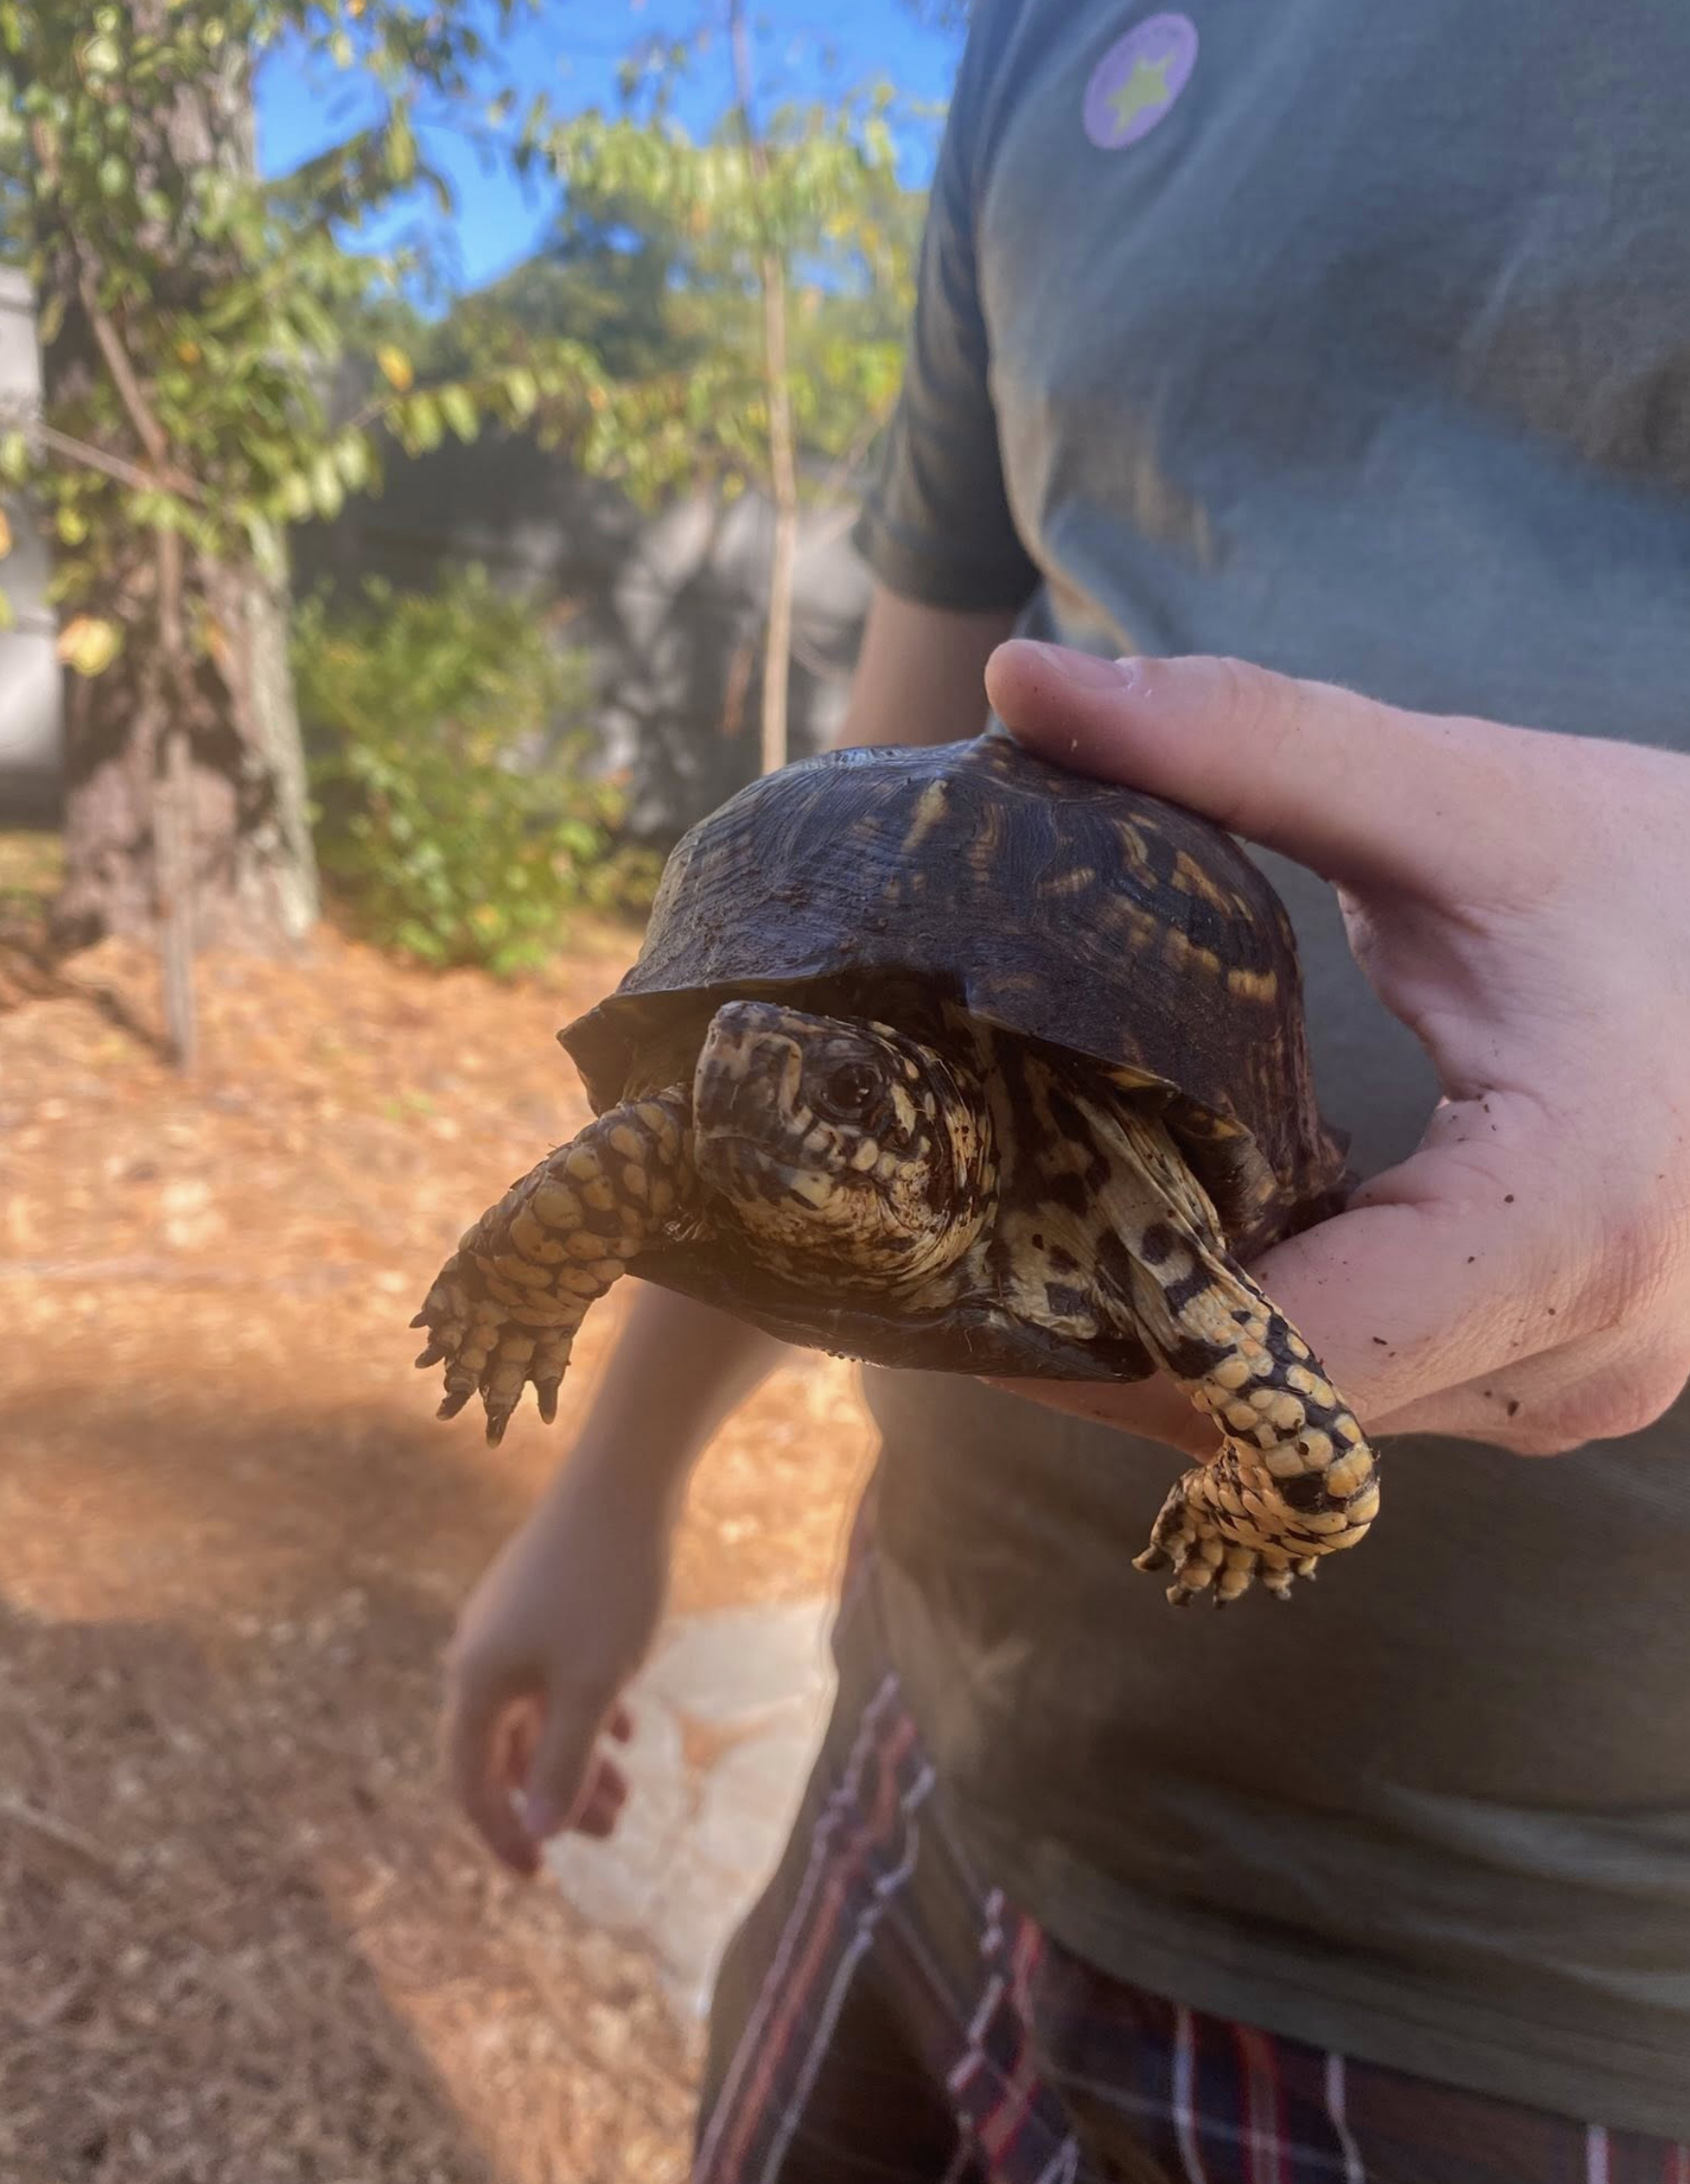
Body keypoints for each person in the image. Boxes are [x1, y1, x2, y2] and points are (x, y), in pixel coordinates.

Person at [444, 3, 1690, 2175]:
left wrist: (1274, 1467)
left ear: (948, 1150)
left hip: (1523, 1964)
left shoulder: (1115, 1200)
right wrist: (604, 1472)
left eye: (837, 1106)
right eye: (765, 1087)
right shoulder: (1042, 39)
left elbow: (1291, 1421)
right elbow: (914, 737)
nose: (766, 1109)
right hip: (930, 1718)